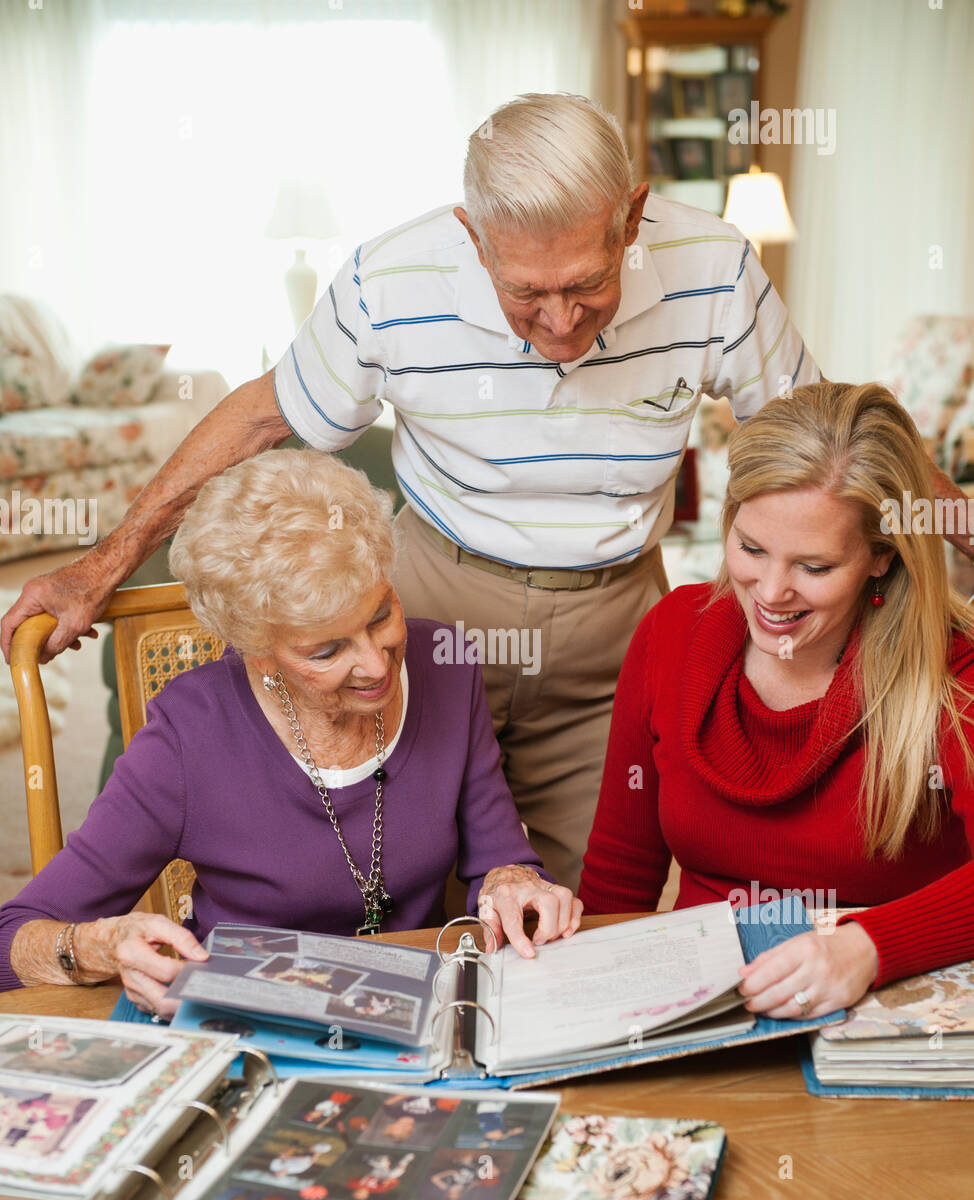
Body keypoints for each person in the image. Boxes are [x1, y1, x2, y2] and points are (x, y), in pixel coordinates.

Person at [1, 92, 830, 891]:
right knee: (391, 887)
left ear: (633, 214)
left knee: (574, 912)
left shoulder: (713, 268)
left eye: (586, 284)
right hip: (430, 620)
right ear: (473, 236)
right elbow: (262, 418)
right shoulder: (391, 277)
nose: (560, 324)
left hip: (610, 631)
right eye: (525, 293)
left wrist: (939, 536)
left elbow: (822, 444)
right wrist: (98, 567)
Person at [0, 450, 581, 1016]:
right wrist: (96, 947)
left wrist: (514, 881)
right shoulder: (189, 735)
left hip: (414, 1015)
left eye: (380, 615)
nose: (378, 666)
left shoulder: (445, 663)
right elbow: (12, 940)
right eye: (326, 650)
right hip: (248, 1025)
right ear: (259, 654)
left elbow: (499, 857)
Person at [580, 381, 974, 1019]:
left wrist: (869, 947)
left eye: (814, 567)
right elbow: (620, 874)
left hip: (884, 1008)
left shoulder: (952, 673)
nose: (769, 592)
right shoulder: (672, 632)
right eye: (751, 548)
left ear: (882, 555)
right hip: (699, 1013)